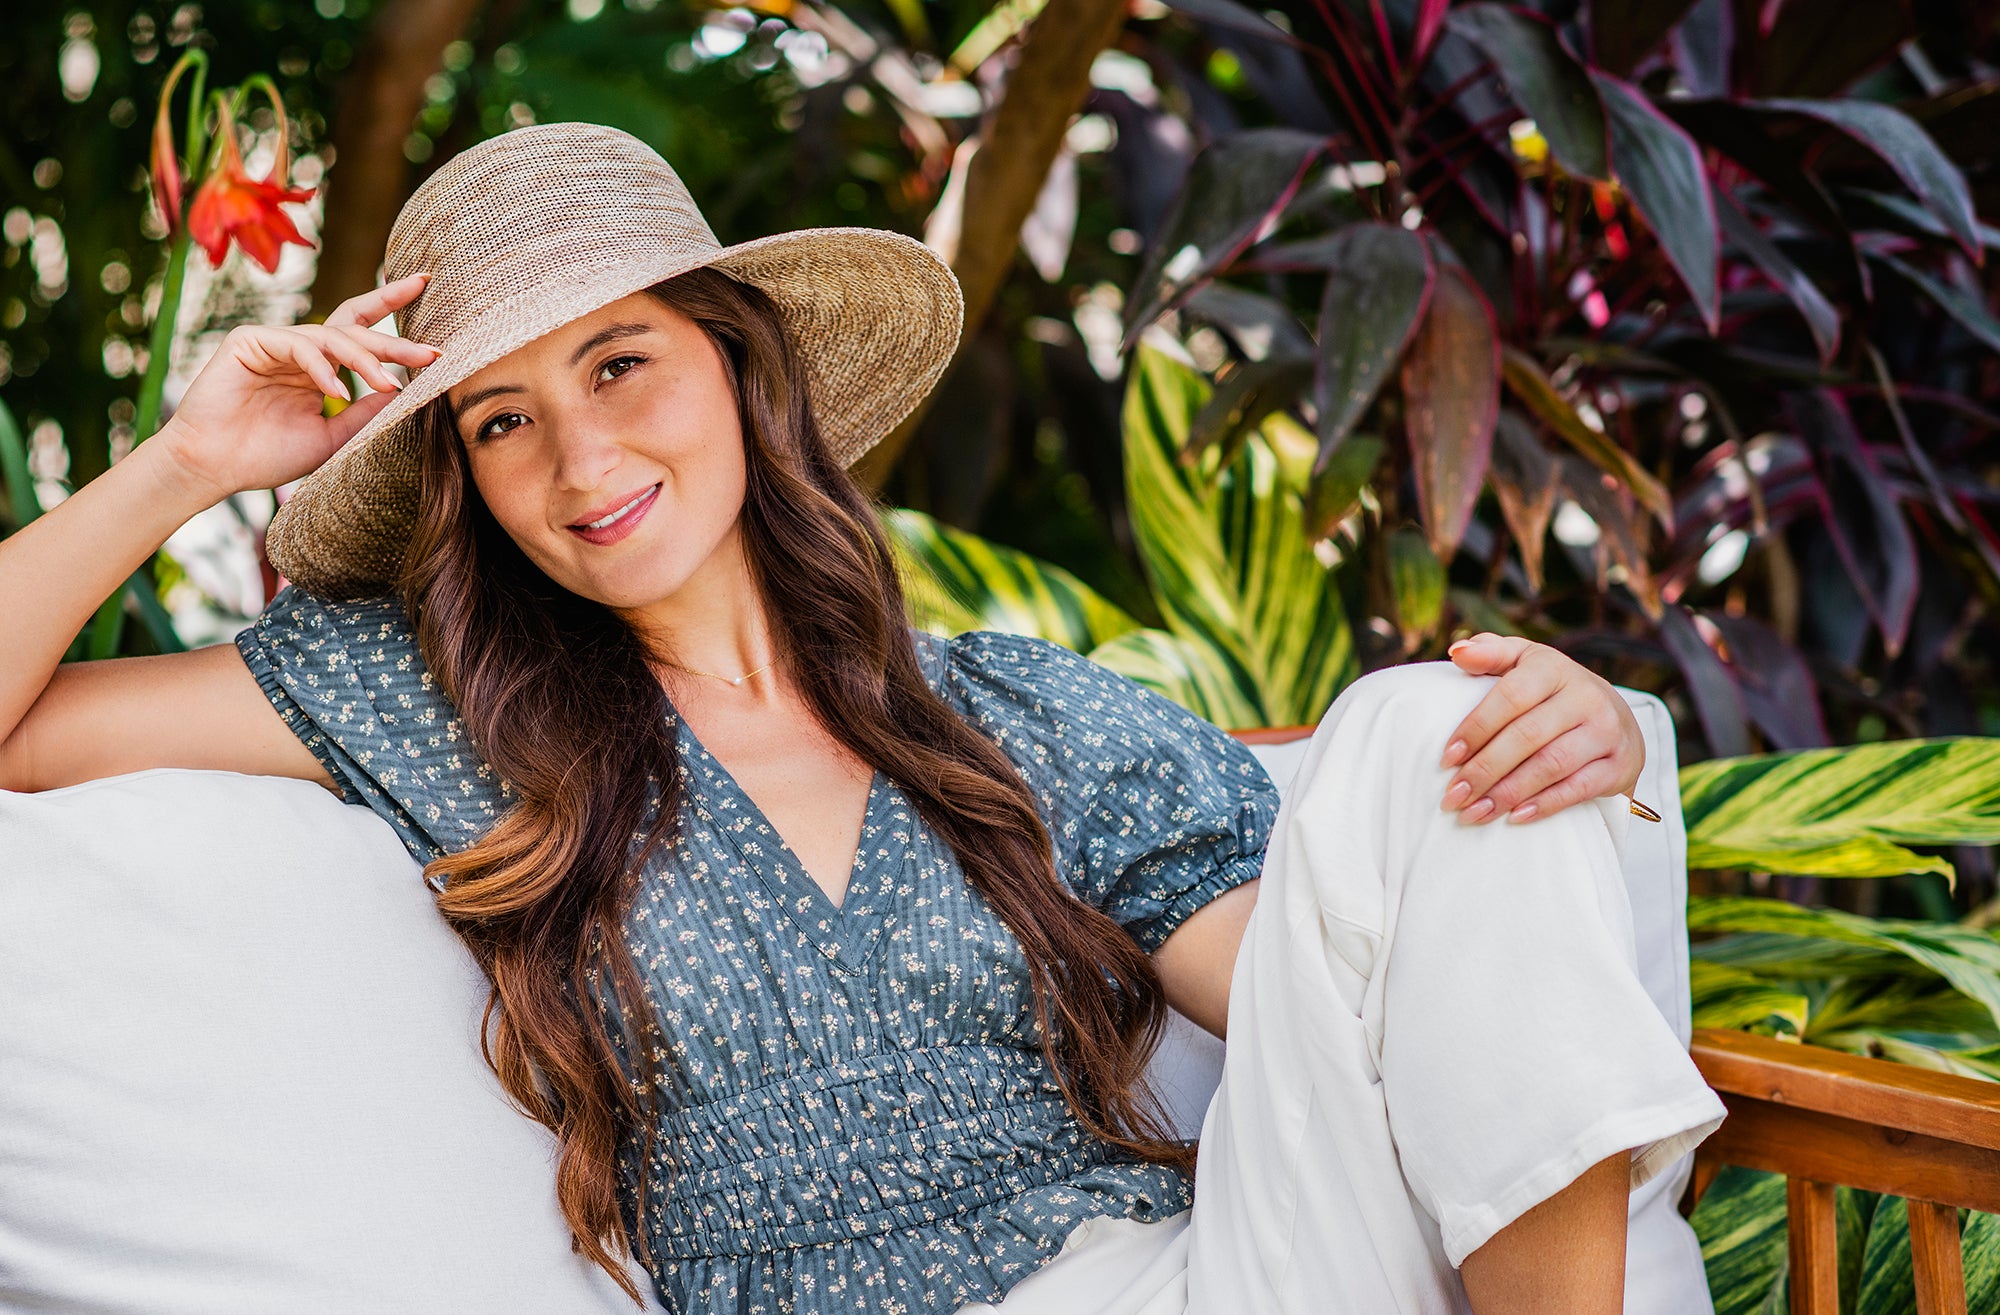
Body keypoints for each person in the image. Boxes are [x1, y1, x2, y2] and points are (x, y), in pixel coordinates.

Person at [0, 124, 1722, 1315]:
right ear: (467, 480)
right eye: (502, 422)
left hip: (1213, 1278)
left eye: (621, 364)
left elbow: (1347, 1003)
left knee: (1442, 730)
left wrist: (1579, 743)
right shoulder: (444, 714)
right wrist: (188, 463)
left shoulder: (1006, 719)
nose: (583, 461)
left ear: (740, 369)